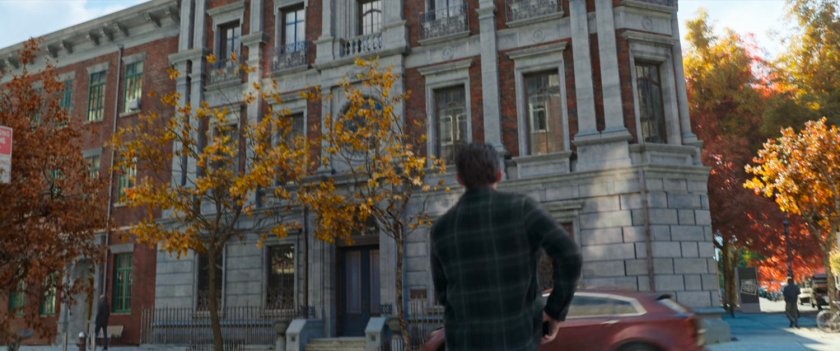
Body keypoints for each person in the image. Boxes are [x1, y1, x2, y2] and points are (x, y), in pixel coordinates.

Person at [430, 143, 582, 351]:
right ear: (500, 175)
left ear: (460, 180)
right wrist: (555, 311)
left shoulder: (441, 228)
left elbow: (443, 292)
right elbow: (570, 255)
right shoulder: (522, 209)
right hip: (517, 340)